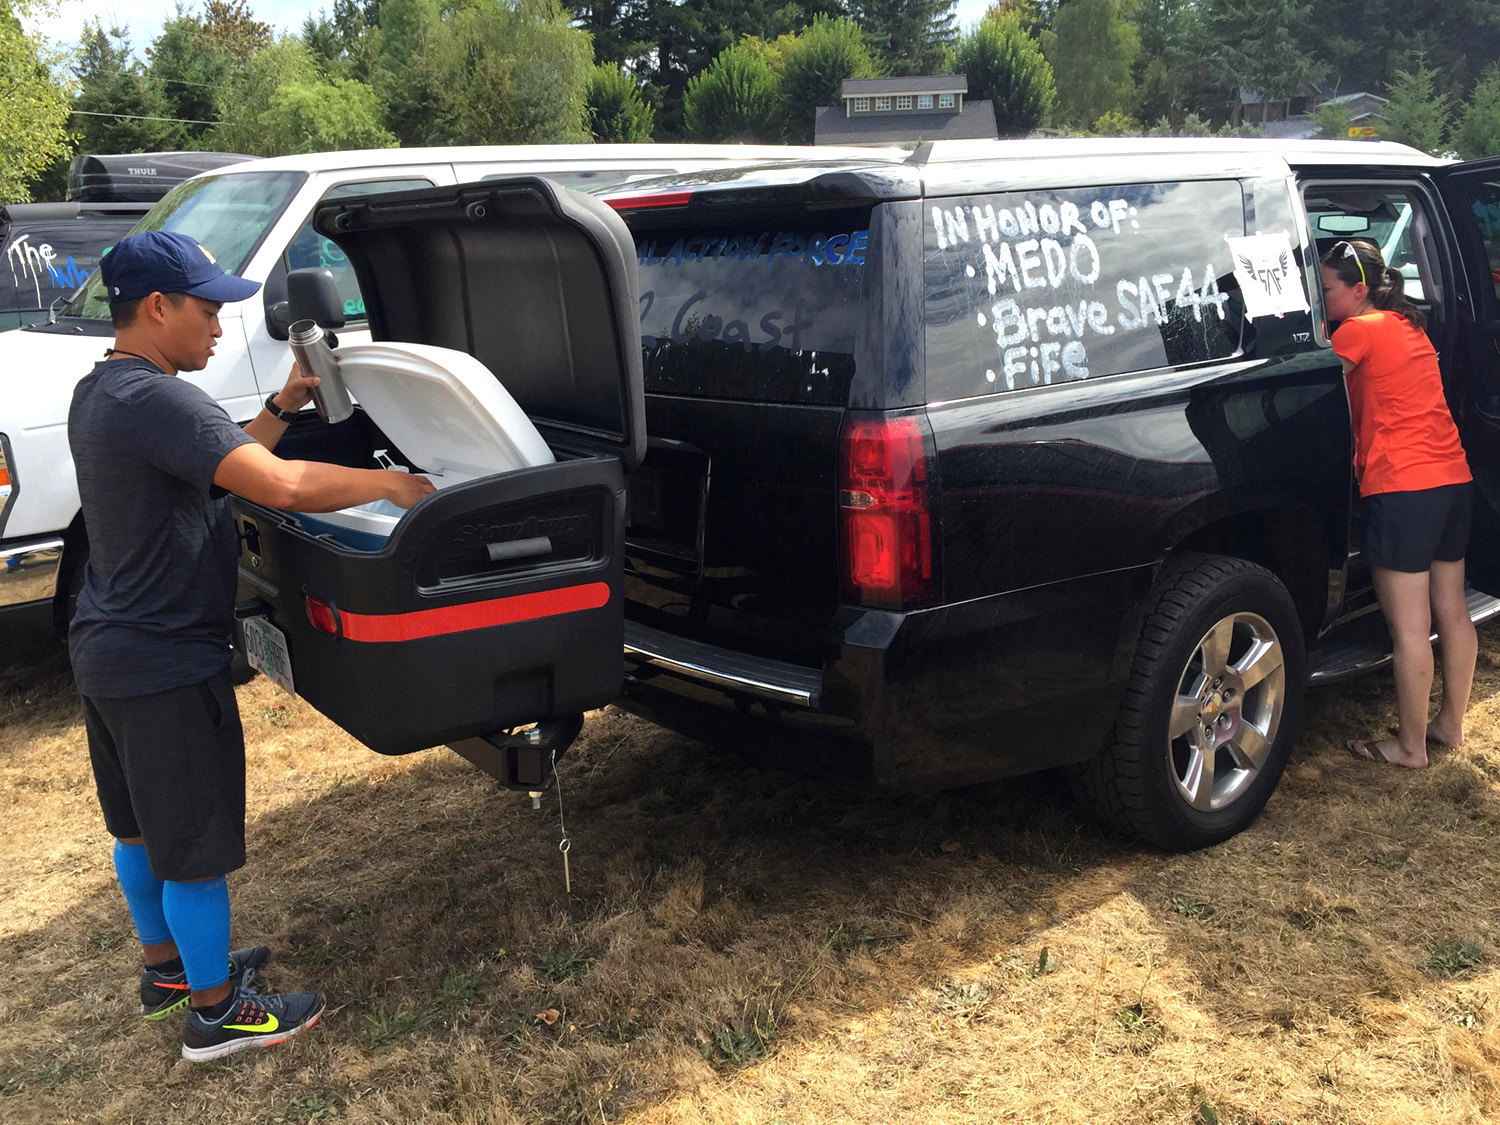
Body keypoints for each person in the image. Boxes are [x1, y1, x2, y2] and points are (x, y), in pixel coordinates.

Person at [68, 230, 434, 1061]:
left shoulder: (107, 391)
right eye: (208, 310)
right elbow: (283, 485)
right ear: (157, 309)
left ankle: (167, 970)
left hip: (110, 649)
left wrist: (277, 413)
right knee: (193, 844)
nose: (221, 327)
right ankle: (216, 1012)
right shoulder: (160, 399)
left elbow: (219, 463)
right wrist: (393, 485)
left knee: (138, 831)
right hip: (164, 660)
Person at [1320, 238, 1477, 769]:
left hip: (1402, 486)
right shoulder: (1408, 324)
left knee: (1408, 629)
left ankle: (1409, 748)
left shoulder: (1355, 332)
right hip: (1452, 480)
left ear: (1358, 289)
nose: (1322, 300)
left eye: (1327, 291)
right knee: (1452, 612)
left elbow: (1311, 382)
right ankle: (1449, 725)